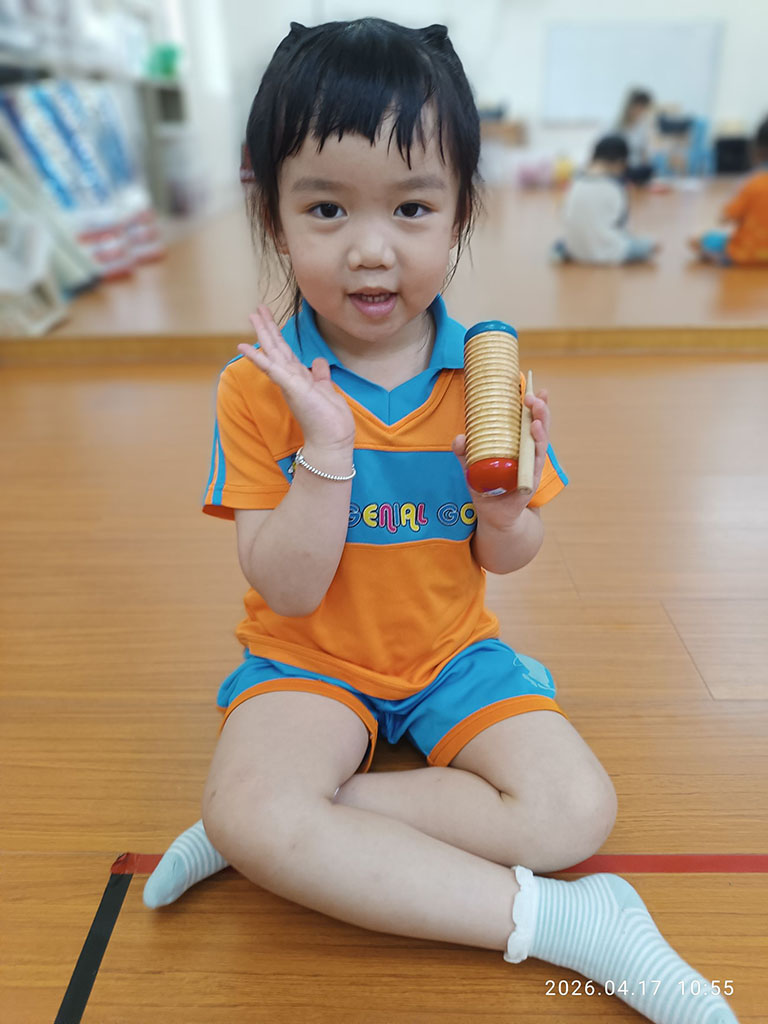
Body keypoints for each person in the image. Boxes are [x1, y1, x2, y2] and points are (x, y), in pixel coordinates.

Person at [143, 19, 738, 1024]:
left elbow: (513, 554)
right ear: (274, 219)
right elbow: (286, 586)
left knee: (576, 809)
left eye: (413, 207)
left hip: (452, 651)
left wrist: (503, 513)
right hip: (309, 660)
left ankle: (267, 827)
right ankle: (566, 924)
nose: (371, 249)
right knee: (265, 800)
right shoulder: (258, 388)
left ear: (461, 212)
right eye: (326, 207)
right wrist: (326, 449)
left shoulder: (484, 375)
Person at [552, 135, 658, 265]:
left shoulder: (575, 183)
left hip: (575, 250)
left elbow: (563, 214)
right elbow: (621, 227)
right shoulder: (615, 187)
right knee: (650, 244)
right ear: (620, 162)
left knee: (565, 241)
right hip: (608, 253)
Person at [690, 116, 768, 265]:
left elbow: (726, 217)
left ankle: (717, 256)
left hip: (746, 254)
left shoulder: (751, 183)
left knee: (698, 239)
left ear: (756, 150)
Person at [616, 87, 655, 185]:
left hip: (638, 171)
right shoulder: (616, 128)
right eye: (638, 107)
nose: (641, 111)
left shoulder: (643, 127)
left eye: (644, 108)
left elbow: (645, 154)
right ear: (630, 106)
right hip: (622, 171)